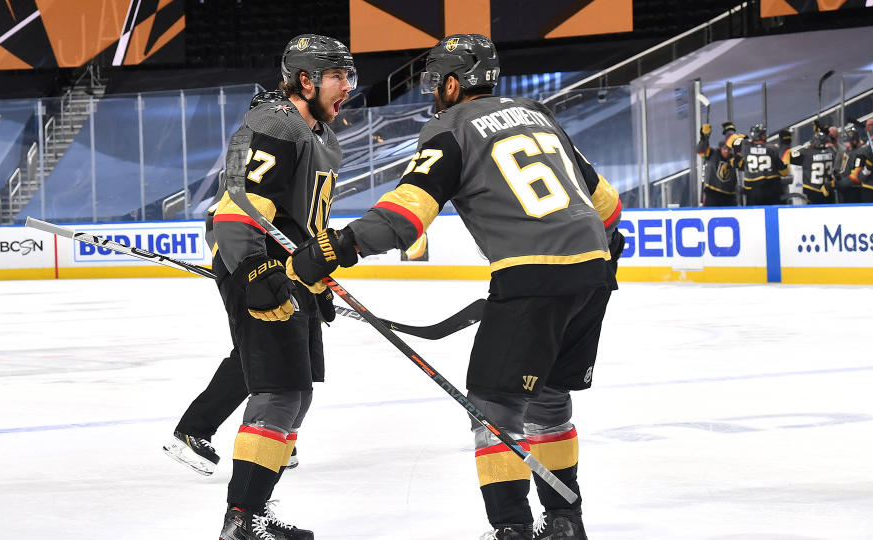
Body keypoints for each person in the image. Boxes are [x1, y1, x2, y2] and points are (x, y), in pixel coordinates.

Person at [284, 33, 623, 540]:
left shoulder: (452, 128)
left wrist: (335, 247)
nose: (431, 92)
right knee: (549, 399)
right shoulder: (537, 114)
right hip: (594, 270)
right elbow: (609, 208)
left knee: (494, 405)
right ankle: (566, 522)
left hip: (533, 274)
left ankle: (511, 529)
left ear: (451, 82)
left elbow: (406, 215)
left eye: (434, 81)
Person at [206, 34, 354, 540]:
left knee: (296, 395)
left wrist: (316, 278)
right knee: (277, 392)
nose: (347, 87)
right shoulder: (275, 124)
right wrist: (251, 270)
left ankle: (253, 513)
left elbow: (300, 221)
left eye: (349, 75)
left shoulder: (320, 135)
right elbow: (235, 211)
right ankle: (241, 523)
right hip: (259, 270)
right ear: (305, 80)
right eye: (336, 76)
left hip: (290, 272)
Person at [162, 89, 303, 478]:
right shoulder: (260, 139)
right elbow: (233, 219)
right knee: (256, 350)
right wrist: (239, 265)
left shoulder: (251, 141)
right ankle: (194, 430)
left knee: (272, 349)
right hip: (249, 260)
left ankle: (277, 433)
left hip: (257, 259)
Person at [730, 124, 789, 205]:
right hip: (772, 189)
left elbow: (735, 161)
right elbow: (784, 172)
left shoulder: (745, 148)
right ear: (762, 136)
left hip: (752, 191)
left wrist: (742, 138)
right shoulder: (772, 149)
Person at [789, 131, 836, 204]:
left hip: (811, 189)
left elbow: (789, 157)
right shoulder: (831, 151)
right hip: (828, 188)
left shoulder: (806, 152)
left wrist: (805, 148)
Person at [696, 122, 737, 206]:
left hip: (730, 196)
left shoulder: (734, 157)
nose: (726, 151)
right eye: (724, 149)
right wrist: (704, 137)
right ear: (720, 148)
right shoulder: (713, 154)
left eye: (728, 149)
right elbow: (701, 151)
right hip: (713, 194)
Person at [835, 123, 864, 204]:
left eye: (847, 141)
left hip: (855, 190)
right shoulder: (847, 151)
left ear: (854, 141)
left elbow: (857, 177)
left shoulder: (860, 153)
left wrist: (840, 183)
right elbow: (842, 169)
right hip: (845, 189)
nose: (846, 144)